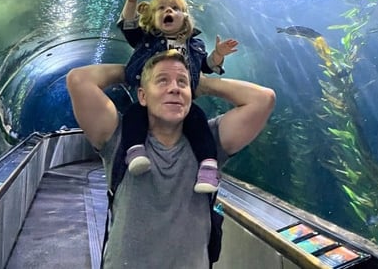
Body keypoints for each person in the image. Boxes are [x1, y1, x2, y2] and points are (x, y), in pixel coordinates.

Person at [67, 49, 275, 268]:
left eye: (182, 83)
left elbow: (264, 99)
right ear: (143, 96)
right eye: (162, 81)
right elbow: (79, 80)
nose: (174, 88)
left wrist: (203, 84)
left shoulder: (210, 142)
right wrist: (132, 71)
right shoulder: (119, 139)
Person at [93, 0, 242, 193]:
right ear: (152, 17)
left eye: (175, 8)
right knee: (135, 115)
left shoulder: (195, 45)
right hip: (151, 98)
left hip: (180, 99)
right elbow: (129, 26)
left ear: (185, 17)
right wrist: (132, 2)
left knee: (198, 121)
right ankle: (135, 152)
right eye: (161, 8)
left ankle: (208, 167)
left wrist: (218, 54)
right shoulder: (147, 39)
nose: (168, 11)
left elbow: (207, 67)